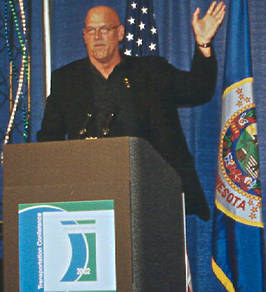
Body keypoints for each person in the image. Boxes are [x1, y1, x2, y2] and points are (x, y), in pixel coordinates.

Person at [37, 2, 226, 221]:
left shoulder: (152, 71)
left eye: (105, 29)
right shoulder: (66, 80)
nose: (97, 36)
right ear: (84, 35)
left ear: (120, 33)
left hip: (152, 196)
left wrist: (203, 43)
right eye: (91, 30)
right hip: (90, 199)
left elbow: (198, 91)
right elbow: (49, 140)